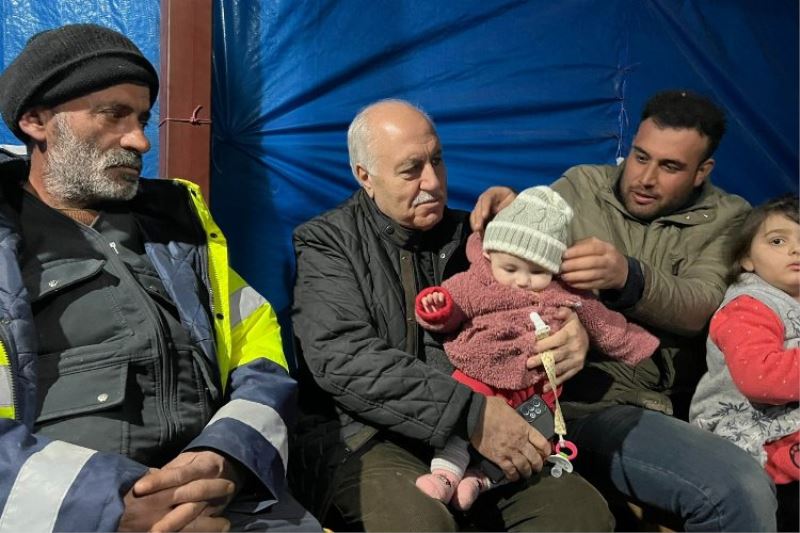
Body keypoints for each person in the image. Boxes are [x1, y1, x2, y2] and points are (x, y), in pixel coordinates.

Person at [0, 23, 319, 532]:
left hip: (225, 502)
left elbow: (259, 351)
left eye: (143, 118)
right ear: (36, 120)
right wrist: (113, 509)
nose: (140, 141)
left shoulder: (179, 234)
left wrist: (227, 455)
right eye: (114, 115)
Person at [290, 99, 614, 531]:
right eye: (411, 170)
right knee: (421, 525)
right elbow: (342, 358)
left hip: (484, 434)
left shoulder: (475, 237)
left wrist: (575, 331)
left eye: (437, 161)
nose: (432, 181)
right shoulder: (327, 243)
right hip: (366, 435)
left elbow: (547, 294)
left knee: (580, 515)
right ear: (365, 176)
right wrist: (472, 414)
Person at [471, 90, 778, 531]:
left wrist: (628, 276)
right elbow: (516, 260)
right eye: (640, 156)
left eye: (670, 167)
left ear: (702, 172)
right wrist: (508, 210)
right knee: (734, 488)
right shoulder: (580, 188)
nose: (646, 178)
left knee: (740, 488)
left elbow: (703, 303)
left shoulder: (728, 217)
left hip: (659, 404)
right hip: (571, 399)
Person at [413, 186, 659, 510]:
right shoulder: (478, 281)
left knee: (533, 438)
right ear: (489, 254)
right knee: (462, 424)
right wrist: (438, 309)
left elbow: (605, 324)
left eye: (538, 271)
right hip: (481, 369)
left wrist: (642, 346)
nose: (523, 280)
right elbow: (454, 305)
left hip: (536, 387)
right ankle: (445, 475)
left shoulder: (565, 294)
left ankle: (481, 480)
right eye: (511, 269)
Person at [690, 194, 799, 531]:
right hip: (754, 438)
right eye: (778, 241)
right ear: (747, 259)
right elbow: (761, 378)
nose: (796, 250)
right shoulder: (748, 306)